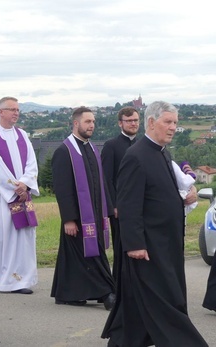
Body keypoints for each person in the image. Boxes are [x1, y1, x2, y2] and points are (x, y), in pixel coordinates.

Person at [102, 101, 207, 346]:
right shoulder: (136, 156)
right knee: (166, 304)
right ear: (151, 123)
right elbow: (128, 204)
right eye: (168, 122)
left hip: (165, 243)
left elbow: (157, 195)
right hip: (148, 247)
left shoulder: (162, 153)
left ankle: (123, 340)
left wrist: (183, 198)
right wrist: (135, 244)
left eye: (175, 123)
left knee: (138, 306)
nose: (173, 128)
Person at [51, 106, 115, 310]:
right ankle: (108, 292)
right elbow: (62, 188)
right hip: (78, 217)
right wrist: (68, 219)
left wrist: (109, 208)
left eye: (93, 122)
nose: (92, 125)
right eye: (88, 122)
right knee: (92, 256)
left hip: (95, 214)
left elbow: (101, 182)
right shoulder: (65, 151)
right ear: (76, 123)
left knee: (74, 257)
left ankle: (66, 293)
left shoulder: (91, 148)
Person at [0, 96, 39, 295]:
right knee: (2, 237)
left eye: (17, 110)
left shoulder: (22, 135)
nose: (16, 113)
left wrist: (26, 183)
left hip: (22, 195)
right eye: (12, 109)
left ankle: (22, 279)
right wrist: (16, 188)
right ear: (1, 112)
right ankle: (2, 279)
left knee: (24, 236)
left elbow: (32, 163)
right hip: (2, 197)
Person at [101, 106, 139, 285]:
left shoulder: (142, 145)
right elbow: (106, 178)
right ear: (120, 123)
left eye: (136, 120)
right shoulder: (111, 146)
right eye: (129, 120)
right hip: (120, 208)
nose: (133, 123)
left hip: (140, 206)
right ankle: (119, 285)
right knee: (121, 247)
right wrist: (113, 205)